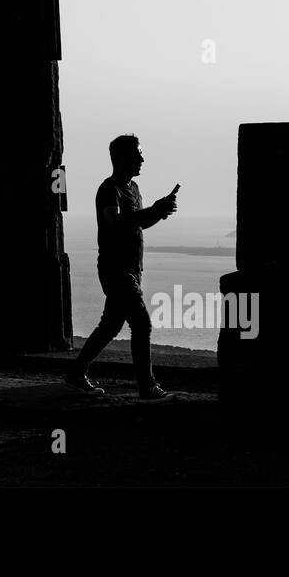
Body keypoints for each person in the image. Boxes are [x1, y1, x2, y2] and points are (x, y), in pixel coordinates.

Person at [66, 134, 178, 399]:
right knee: (142, 323)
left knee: (110, 326)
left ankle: (76, 372)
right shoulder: (109, 190)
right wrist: (155, 209)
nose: (142, 158)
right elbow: (115, 223)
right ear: (121, 158)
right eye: (137, 153)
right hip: (116, 270)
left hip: (132, 271)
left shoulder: (134, 189)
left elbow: (138, 222)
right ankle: (147, 385)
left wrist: (158, 212)